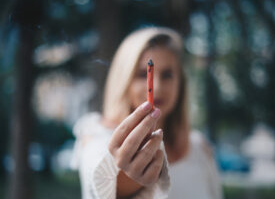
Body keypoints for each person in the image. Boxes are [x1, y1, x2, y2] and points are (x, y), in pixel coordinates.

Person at [71, 27, 223, 199]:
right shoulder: (97, 136)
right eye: (143, 74)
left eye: (167, 75)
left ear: (181, 83)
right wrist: (128, 179)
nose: (156, 87)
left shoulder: (198, 146)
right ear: (124, 79)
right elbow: (101, 183)